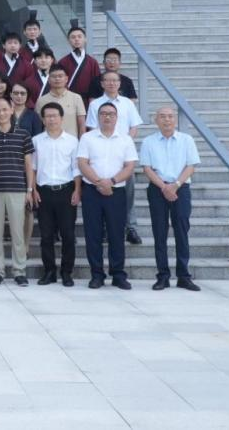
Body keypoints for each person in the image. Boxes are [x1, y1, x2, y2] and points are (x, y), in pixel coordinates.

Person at [77, 102, 139, 289]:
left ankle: (118, 274)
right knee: (93, 234)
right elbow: (82, 163)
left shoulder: (125, 139)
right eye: (103, 113)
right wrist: (99, 182)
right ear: (98, 117)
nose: (107, 117)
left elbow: (130, 166)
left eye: (111, 114)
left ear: (117, 117)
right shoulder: (87, 138)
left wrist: (111, 182)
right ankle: (97, 275)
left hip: (116, 191)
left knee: (116, 234)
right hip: (92, 191)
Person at [140, 107, 201, 292]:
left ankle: (183, 276)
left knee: (182, 230)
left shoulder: (186, 140)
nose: (167, 120)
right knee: (159, 232)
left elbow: (191, 166)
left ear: (175, 120)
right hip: (157, 188)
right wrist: (164, 187)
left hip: (181, 188)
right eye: (162, 117)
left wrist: (175, 185)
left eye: (170, 116)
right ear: (156, 120)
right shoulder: (148, 141)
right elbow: (147, 169)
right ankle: (163, 276)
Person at [86, 70, 144, 245]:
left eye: (115, 80)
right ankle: (104, 227)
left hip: (123, 153)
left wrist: (124, 143)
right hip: (100, 152)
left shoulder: (127, 103)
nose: (111, 83)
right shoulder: (95, 104)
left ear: (120, 83)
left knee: (128, 191)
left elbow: (134, 127)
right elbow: (92, 128)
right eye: (107, 80)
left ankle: (130, 227)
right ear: (102, 83)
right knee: (101, 189)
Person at [0, 97, 35, 287]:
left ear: (12, 110)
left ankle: (19, 271)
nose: (1, 113)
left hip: (18, 189)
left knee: (18, 234)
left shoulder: (23, 135)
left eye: (4, 109)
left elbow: (28, 165)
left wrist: (29, 189)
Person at [31, 103, 81, 287]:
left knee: (68, 235)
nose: (51, 119)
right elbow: (33, 168)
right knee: (46, 235)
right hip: (43, 192)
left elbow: (76, 168)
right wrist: (33, 190)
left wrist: (77, 190)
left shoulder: (72, 141)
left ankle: (66, 272)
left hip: (66, 191)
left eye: (55, 116)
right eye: (48, 116)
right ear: (43, 120)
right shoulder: (36, 141)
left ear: (61, 118)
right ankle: (49, 272)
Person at [34, 64, 87, 139]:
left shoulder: (76, 98)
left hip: (71, 143)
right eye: (54, 76)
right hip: (48, 142)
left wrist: (81, 142)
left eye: (60, 76)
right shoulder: (41, 100)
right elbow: (38, 126)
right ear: (48, 79)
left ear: (66, 79)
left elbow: (82, 125)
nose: (57, 79)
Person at [58, 26, 101, 107]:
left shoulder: (92, 62)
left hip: (87, 101)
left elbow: (97, 83)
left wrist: (94, 100)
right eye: (73, 37)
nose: (76, 39)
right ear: (69, 40)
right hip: (68, 100)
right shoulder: (62, 62)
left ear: (85, 39)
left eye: (79, 36)